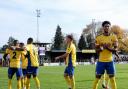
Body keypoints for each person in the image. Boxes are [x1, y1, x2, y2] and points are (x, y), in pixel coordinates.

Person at [93, 21, 118, 89]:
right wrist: (100, 49)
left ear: (110, 27)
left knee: (112, 79)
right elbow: (96, 51)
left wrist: (106, 47)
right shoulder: (98, 37)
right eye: (105, 26)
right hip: (101, 61)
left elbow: (115, 50)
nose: (107, 27)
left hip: (110, 61)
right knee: (97, 79)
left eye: (108, 26)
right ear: (103, 28)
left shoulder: (114, 37)